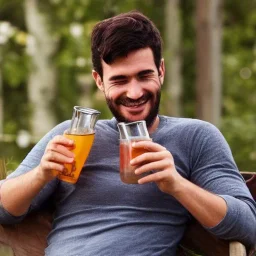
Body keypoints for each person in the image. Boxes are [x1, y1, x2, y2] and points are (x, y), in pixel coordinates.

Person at [0, 11, 255, 256]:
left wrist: (177, 185)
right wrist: (40, 175)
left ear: (161, 71)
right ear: (99, 81)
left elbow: (248, 224)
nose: (134, 93)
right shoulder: (73, 135)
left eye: (144, 76)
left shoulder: (196, 137)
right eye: (120, 80)